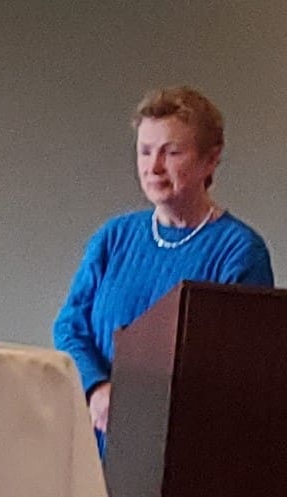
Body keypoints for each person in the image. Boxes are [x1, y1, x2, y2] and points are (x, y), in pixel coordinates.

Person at [53, 86, 274, 455]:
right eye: (145, 151)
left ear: (210, 160)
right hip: (95, 444)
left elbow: (239, 374)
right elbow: (70, 327)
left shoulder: (240, 252)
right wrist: (96, 388)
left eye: (171, 152)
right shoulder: (114, 237)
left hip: (182, 452)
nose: (153, 167)